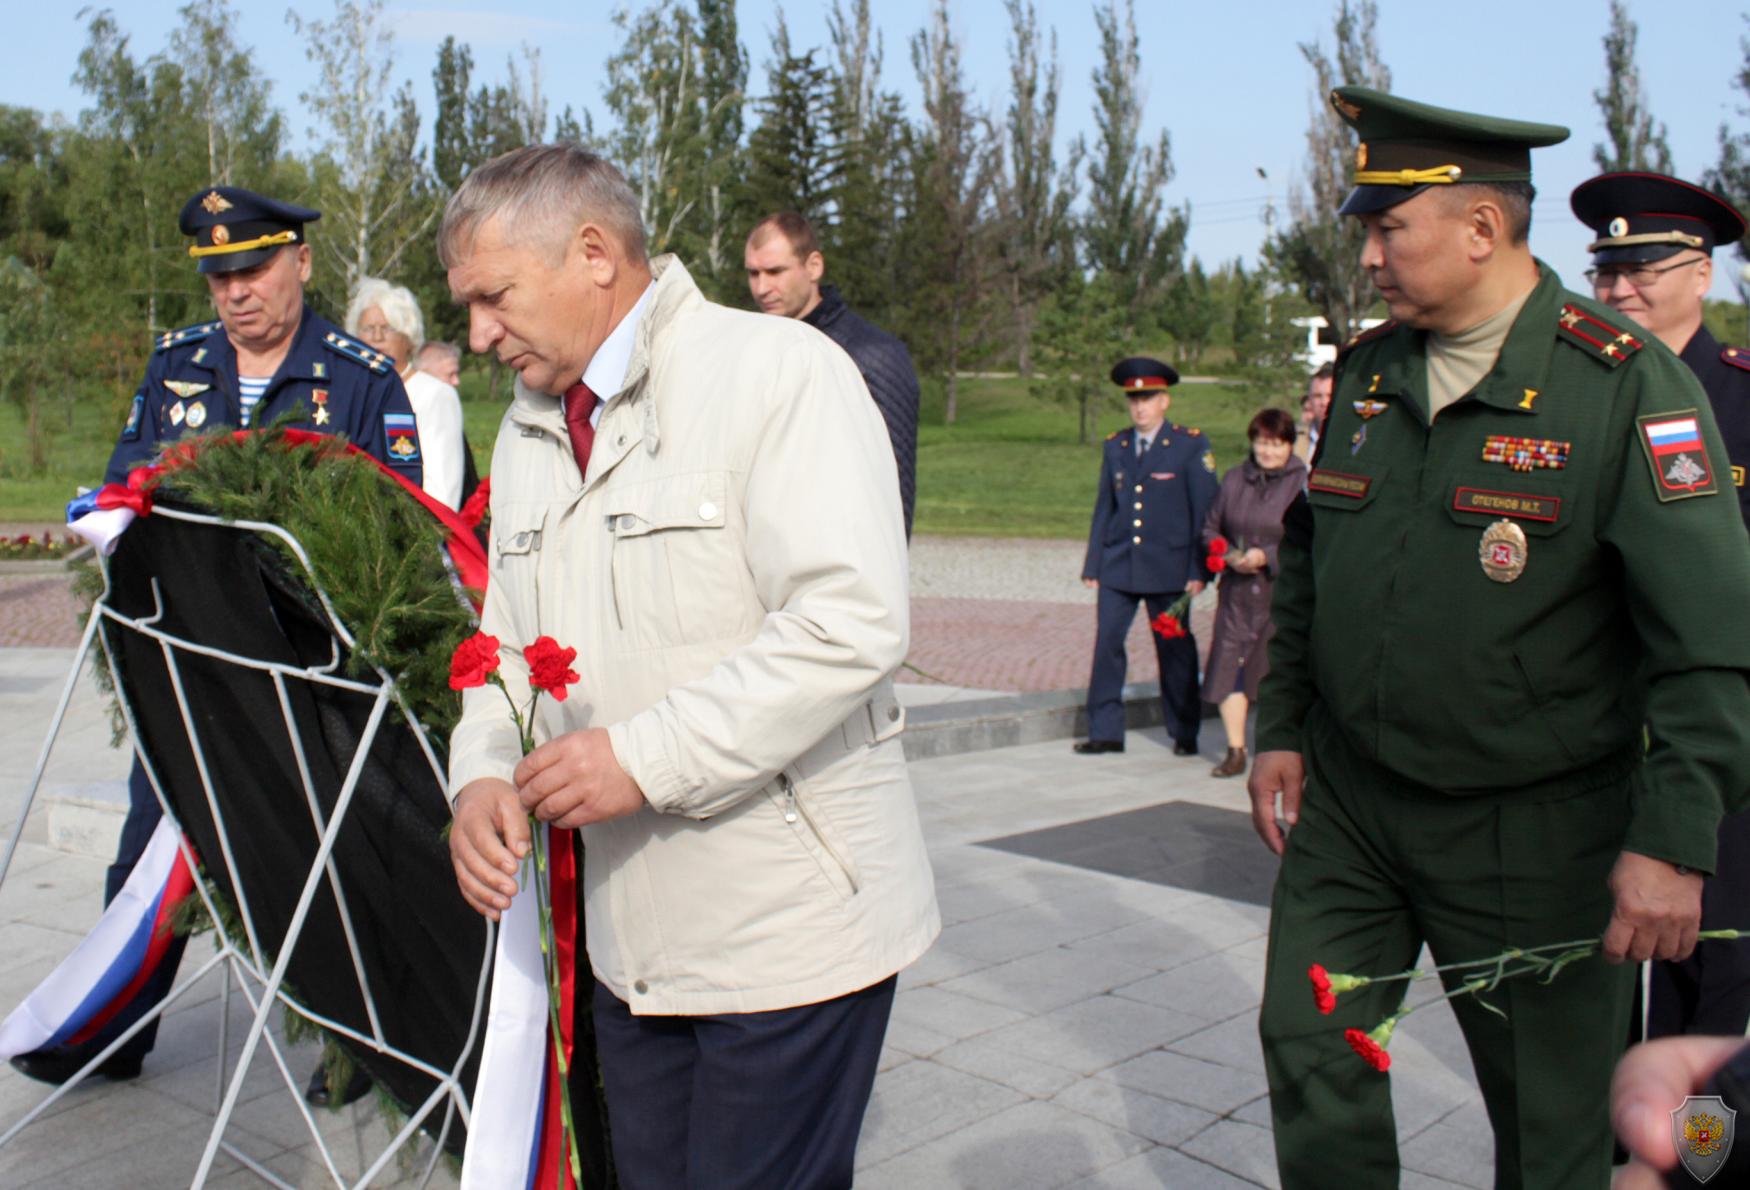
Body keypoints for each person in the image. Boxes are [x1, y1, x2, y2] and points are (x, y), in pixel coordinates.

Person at [1249, 87, 1750, 1189]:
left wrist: (1671, 841)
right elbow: (1309, 560)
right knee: (1309, 1041)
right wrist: (1281, 719)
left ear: (1480, 229)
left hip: (1537, 833)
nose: (1370, 255)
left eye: (1389, 230)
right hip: (1355, 808)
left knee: (1550, 1127)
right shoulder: (1373, 372)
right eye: (1368, 231)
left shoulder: (1624, 387)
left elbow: (1710, 638)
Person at [441, 145, 938, 1186]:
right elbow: (504, 649)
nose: (478, 334)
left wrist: (642, 757)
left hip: (786, 927)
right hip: (633, 942)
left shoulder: (778, 375)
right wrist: (482, 768)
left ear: (591, 255)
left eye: (493, 297)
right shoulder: (532, 425)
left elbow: (850, 618)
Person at [10, 187, 421, 1099]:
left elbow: (396, 533)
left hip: (308, 675)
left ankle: (356, 1048)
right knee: (147, 850)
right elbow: (126, 487)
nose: (235, 292)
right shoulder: (176, 368)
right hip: (188, 664)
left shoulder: (358, 380)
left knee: (332, 864)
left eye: (254, 269)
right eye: (218, 275)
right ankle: (116, 1032)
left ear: (301, 264)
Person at [1571, 173, 1750, 1057]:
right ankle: (1595, 1151)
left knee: (1704, 974)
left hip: (1714, 745)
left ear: (1703, 273)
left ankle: (1693, 1161)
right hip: (1592, 733)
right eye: (1605, 270)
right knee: (1587, 966)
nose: (1618, 289)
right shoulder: (1579, 400)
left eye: (1641, 267)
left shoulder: (1744, 398)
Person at [745, 211, 921, 537]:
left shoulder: (871, 354)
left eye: (775, 271)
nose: (762, 287)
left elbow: (895, 490)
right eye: (753, 274)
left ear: (813, 266)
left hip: (843, 558)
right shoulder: (759, 350)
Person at [1074, 357, 1217, 757]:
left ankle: (1184, 730)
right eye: (1134, 399)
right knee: (1107, 646)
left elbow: (1204, 511)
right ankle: (1105, 730)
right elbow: (1105, 506)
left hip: (1169, 569)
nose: (1140, 407)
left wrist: (1200, 568)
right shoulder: (1116, 445)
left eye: (1148, 398)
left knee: (1175, 650)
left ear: (1165, 401)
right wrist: (1093, 563)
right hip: (1119, 565)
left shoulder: (1190, 445)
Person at [1198, 407, 1305, 779]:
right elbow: (1210, 528)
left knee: (1274, 672)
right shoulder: (1233, 480)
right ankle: (1235, 748)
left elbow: (1308, 538)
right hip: (1237, 593)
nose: (1268, 451)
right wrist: (1227, 554)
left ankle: (1275, 749)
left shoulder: (1301, 482)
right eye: (1262, 443)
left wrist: (1267, 556)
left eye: (1276, 445)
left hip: (1279, 594)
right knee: (1230, 670)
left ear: (1289, 445)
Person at [346, 278, 467, 510]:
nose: (377, 337)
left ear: (409, 339)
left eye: (388, 328)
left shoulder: (435, 395)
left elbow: (442, 494)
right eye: (368, 329)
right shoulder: (352, 395)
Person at [1292, 362, 1333, 463]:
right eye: (1318, 396)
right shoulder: (1292, 438)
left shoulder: (1351, 438)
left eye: (1329, 395)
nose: (1324, 402)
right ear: (1309, 399)